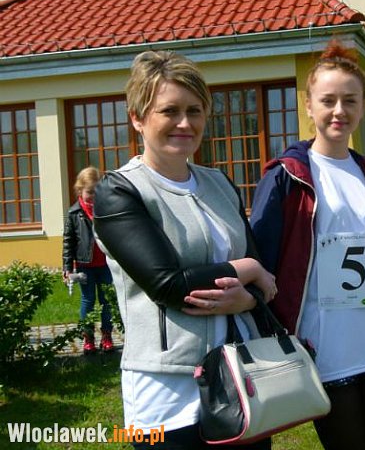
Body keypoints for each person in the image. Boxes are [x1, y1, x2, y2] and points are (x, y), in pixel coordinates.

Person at [93, 50, 277, 450]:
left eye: (195, 110)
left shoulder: (219, 184)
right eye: (169, 111)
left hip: (241, 375)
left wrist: (247, 299)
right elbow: (169, 285)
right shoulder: (119, 191)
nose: (184, 123)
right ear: (137, 118)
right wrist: (247, 269)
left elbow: (265, 278)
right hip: (166, 391)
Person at [249, 41, 365, 450]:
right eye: (328, 100)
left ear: (363, 106)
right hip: (324, 345)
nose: (339, 110)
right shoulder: (287, 174)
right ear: (308, 105)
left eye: (350, 100)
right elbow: (263, 256)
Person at [62, 166, 114, 355]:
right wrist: (67, 267)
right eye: (90, 192)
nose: (93, 196)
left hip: (106, 264)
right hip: (85, 266)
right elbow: (68, 242)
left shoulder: (106, 209)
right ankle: (88, 337)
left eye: (97, 192)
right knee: (88, 300)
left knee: (107, 301)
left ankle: (107, 335)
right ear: (80, 190)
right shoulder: (74, 213)